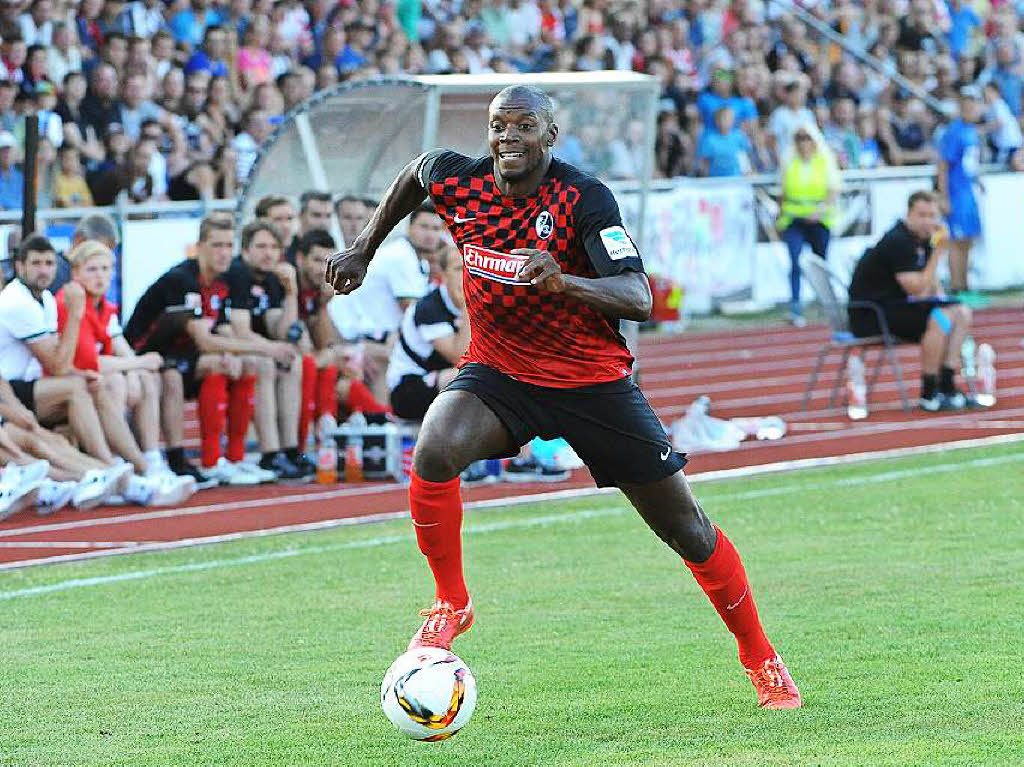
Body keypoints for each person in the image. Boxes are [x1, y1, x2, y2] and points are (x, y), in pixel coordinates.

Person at [326, 85, 801, 709]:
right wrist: (365, 245)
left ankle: (760, 657)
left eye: (524, 127)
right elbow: (415, 175)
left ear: (550, 137)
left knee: (686, 529)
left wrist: (565, 282)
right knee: (436, 448)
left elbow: (638, 296)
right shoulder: (456, 176)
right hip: (501, 371)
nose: (507, 138)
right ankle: (451, 601)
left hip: (591, 383)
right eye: (499, 125)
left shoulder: (584, 197)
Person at [0, 235, 193, 506]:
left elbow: (69, 361)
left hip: (21, 390)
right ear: (20, 267)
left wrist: (134, 368)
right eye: (36, 264)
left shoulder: (48, 299)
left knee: (99, 387)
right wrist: (77, 314)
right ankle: (114, 469)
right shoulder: (35, 302)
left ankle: (134, 467)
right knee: (88, 389)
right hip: (20, 390)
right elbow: (61, 364)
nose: (44, 270)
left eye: (48, 264)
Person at [123, 214, 279, 485]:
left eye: (229, 246)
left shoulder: (226, 279)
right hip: (147, 355)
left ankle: (234, 458)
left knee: (245, 364)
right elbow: (204, 340)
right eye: (217, 245)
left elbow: (222, 326)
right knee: (203, 367)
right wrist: (265, 349)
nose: (224, 253)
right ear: (200, 247)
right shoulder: (181, 279)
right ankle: (195, 459)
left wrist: (237, 350)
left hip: (182, 356)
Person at [55, 240, 177, 480]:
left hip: (88, 377)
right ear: (76, 273)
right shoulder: (71, 303)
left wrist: (135, 371)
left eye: (105, 269)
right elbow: (89, 363)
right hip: (65, 380)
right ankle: (119, 459)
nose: (100, 276)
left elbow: (121, 348)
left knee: (146, 377)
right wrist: (138, 364)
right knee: (114, 381)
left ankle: (151, 457)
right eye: (92, 269)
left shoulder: (105, 307)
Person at [848, 191, 975, 412]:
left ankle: (947, 381)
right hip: (872, 315)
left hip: (896, 308)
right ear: (909, 214)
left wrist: (944, 299)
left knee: (961, 313)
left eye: (932, 216)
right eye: (922, 215)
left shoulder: (923, 241)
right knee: (940, 317)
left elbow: (931, 290)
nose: (928, 221)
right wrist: (937, 254)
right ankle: (929, 390)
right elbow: (916, 289)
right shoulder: (898, 240)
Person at [328, 203, 444, 401]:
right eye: (424, 227)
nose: (430, 235)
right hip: (349, 337)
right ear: (410, 228)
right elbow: (414, 313)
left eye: (435, 229)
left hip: (369, 337)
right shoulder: (401, 256)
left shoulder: (416, 259)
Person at [224, 220, 310, 479]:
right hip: (225, 343)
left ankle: (291, 449)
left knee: (291, 361)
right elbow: (240, 329)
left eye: (274, 247)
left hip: (249, 345)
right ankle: (270, 454)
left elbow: (282, 330)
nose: (268, 253)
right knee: (266, 363)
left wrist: (291, 293)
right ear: (245, 250)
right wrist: (272, 349)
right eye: (261, 246)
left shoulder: (273, 278)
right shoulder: (237, 273)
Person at [386, 243, 469, 421]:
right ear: (444, 275)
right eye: (459, 269)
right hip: (408, 389)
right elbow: (459, 356)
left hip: (444, 384)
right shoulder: (428, 308)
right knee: (469, 377)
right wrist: (468, 306)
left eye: (471, 269)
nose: (467, 276)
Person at [776, 122, 840, 326]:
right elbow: (783, 192)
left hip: (819, 220)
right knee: (795, 262)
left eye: (806, 138)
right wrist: (780, 217)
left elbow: (833, 189)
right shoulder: (789, 160)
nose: (803, 143)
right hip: (794, 219)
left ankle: (826, 305)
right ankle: (795, 306)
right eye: (799, 138)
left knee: (820, 264)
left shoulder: (824, 160)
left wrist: (819, 211)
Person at [938, 87, 983, 296]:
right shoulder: (954, 131)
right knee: (956, 241)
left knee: (968, 240)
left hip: (968, 192)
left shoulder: (971, 130)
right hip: (956, 193)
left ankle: (965, 284)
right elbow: (943, 165)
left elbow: (969, 164)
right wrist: (944, 196)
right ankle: (956, 287)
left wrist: (978, 181)